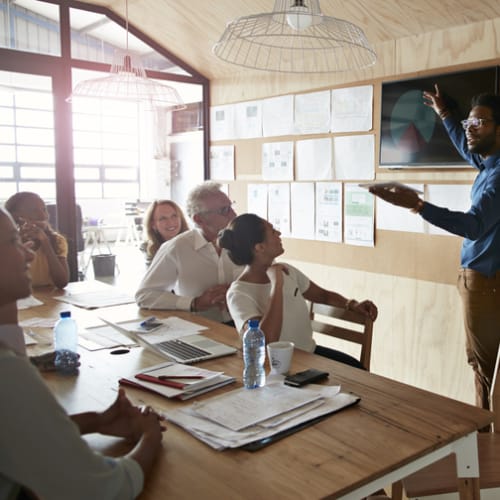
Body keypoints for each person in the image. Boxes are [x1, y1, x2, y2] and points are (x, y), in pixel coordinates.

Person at [0, 206, 166, 499]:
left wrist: (96, 422)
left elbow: (19, 435)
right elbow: (102, 490)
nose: (27, 254)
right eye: (13, 241)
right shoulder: (7, 373)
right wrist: (151, 435)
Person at [369, 87, 500, 410]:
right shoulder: (489, 165)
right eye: (469, 122)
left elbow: (473, 225)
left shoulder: (497, 177)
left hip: (485, 283)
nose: (470, 128)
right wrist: (445, 115)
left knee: (485, 371)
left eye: (480, 122)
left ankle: (486, 446)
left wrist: (418, 206)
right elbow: (466, 146)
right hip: (485, 281)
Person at [217, 213, 378, 366]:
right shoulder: (238, 293)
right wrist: (277, 284)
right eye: (273, 231)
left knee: (360, 373)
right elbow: (266, 341)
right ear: (259, 247)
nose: (279, 233)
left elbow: (322, 296)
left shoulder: (287, 270)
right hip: (275, 366)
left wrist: (351, 304)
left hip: (308, 355)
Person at [135, 181, 243, 323]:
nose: (233, 214)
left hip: (246, 325)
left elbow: (270, 279)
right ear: (199, 219)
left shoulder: (246, 240)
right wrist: (194, 303)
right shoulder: (176, 248)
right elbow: (145, 296)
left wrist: (241, 290)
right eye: (224, 210)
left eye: (231, 206)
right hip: (202, 329)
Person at [5, 191, 69, 288]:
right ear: (17, 217)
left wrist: (45, 242)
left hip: (48, 299)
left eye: (44, 209)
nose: (43, 215)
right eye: (34, 210)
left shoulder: (57, 240)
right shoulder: (5, 242)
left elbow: (62, 283)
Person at [142, 199, 189, 264]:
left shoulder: (193, 242)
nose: (170, 222)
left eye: (174, 216)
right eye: (162, 219)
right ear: (153, 225)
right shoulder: (148, 248)